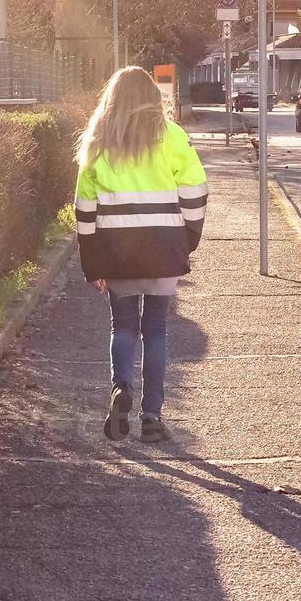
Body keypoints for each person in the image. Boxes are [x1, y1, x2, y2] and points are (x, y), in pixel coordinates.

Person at [74, 66, 208, 443]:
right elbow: (196, 191)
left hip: (117, 252)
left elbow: (84, 209)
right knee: (157, 330)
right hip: (164, 247)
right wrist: (188, 238)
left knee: (124, 325)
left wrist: (92, 262)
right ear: (153, 98)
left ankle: (121, 390)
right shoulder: (172, 137)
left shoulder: (98, 142)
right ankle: (152, 418)